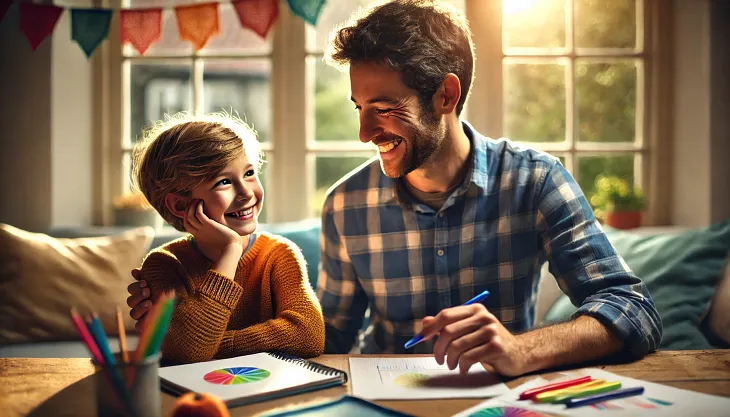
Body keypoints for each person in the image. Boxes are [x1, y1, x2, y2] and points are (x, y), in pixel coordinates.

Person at [128, 1, 661, 376]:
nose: (364, 133)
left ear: (445, 95)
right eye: (360, 109)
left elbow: (632, 309)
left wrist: (522, 349)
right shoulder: (344, 204)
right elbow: (325, 341)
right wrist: (191, 330)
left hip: (499, 397)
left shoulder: (536, 181)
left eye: (384, 109)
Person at [129, 112, 324, 364]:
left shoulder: (278, 254)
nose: (246, 193)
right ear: (179, 205)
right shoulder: (164, 265)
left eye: (249, 173)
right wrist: (230, 250)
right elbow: (188, 354)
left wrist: (212, 347)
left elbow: (308, 335)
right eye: (223, 181)